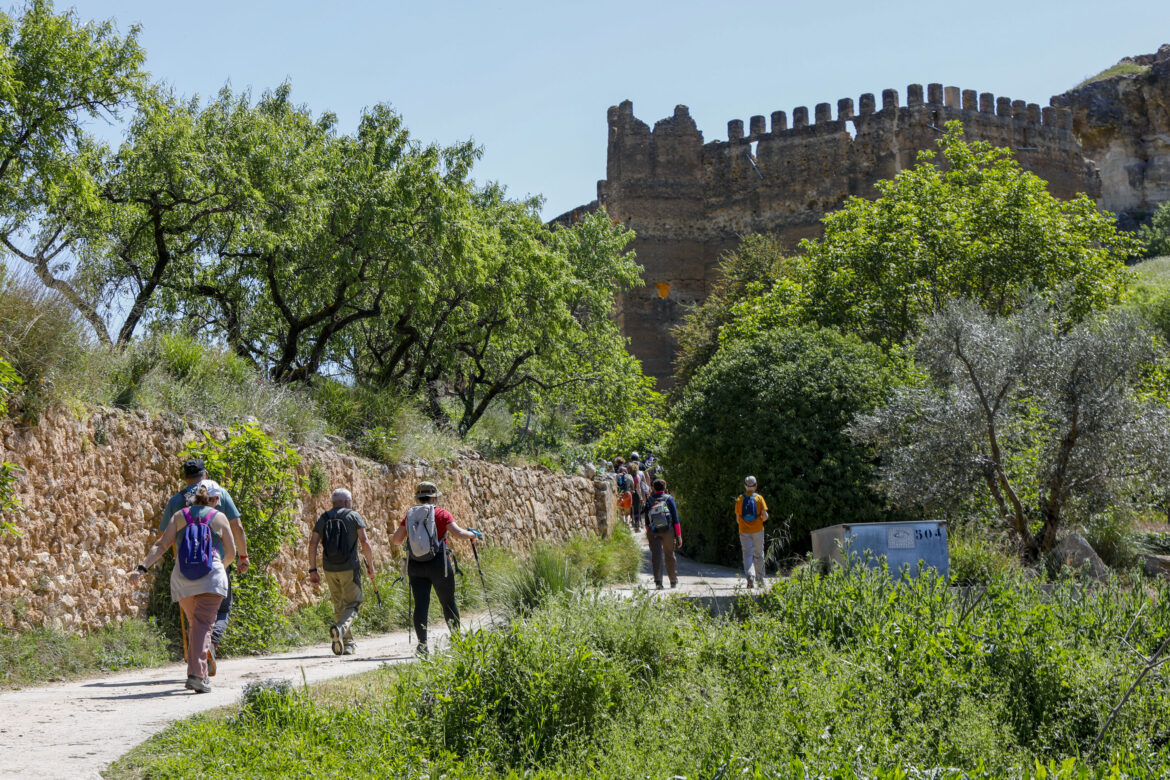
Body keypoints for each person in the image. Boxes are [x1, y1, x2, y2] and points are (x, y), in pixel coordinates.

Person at [129, 480, 235, 693]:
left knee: (196, 625)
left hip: (183, 578)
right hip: (211, 578)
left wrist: (142, 568)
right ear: (215, 499)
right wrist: (220, 568)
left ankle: (198, 673)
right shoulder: (219, 517)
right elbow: (231, 552)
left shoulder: (180, 516)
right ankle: (196, 675)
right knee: (203, 625)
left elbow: (162, 545)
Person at [160, 458, 250, 673]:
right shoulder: (219, 494)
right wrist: (243, 556)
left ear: (185, 477)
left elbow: (165, 537)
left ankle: (197, 664)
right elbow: (237, 526)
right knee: (223, 610)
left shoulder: (176, 500)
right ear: (205, 475)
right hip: (216, 564)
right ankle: (210, 644)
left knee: (194, 618)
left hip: (185, 567)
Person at [391, 481, 483, 656]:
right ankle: (456, 640)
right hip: (439, 563)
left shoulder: (410, 515)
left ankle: (422, 645)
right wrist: (474, 534)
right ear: (434, 497)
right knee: (448, 602)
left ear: (418, 498)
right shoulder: (441, 513)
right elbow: (458, 533)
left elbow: (396, 540)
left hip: (416, 565)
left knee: (420, 605)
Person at [307, 488, 376, 656]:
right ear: (346, 502)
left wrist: (313, 570)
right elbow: (365, 542)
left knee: (338, 604)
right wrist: (370, 565)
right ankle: (340, 628)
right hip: (349, 568)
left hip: (329, 568)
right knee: (354, 603)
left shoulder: (323, 518)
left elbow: (313, 544)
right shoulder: (354, 516)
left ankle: (347, 643)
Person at [644, 478, 682, 589]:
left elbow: (646, 519)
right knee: (669, 554)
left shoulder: (650, 499)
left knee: (656, 556)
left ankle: (658, 582)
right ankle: (673, 581)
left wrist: (649, 531)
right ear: (665, 488)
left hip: (653, 531)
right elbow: (675, 519)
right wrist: (679, 536)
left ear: (654, 488)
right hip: (668, 531)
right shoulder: (669, 499)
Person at [735, 475, 770, 588]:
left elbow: (737, 519)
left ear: (745, 486)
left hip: (744, 531)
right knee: (759, 554)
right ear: (756, 486)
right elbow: (765, 516)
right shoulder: (759, 498)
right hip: (758, 530)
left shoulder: (740, 499)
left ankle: (750, 576)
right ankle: (761, 580)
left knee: (747, 555)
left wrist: (745, 524)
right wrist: (759, 520)